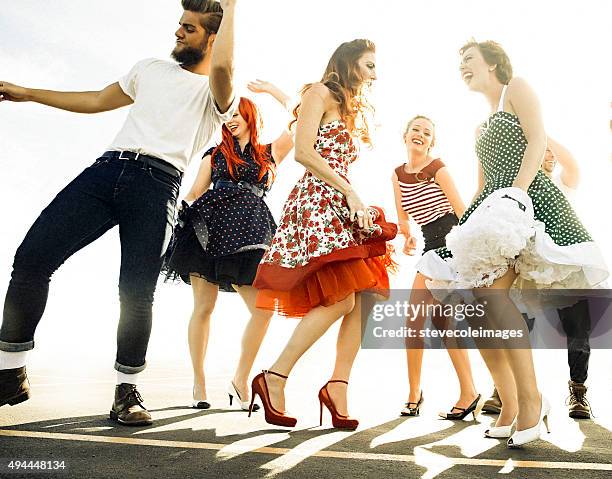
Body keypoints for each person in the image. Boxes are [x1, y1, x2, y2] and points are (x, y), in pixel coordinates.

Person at [0, 0, 239, 426]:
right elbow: (95, 99)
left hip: (158, 185)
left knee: (135, 292)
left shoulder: (216, 95)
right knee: (32, 258)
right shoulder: (149, 68)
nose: (179, 32)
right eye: (179, 25)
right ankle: (10, 371)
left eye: (189, 28)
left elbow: (222, 70)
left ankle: (126, 391)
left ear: (212, 38)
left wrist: (232, 4)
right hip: (106, 170)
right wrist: (29, 93)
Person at [416, 40, 608, 447]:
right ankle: (511, 404)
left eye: (468, 59)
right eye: (460, 61)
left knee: (496, 304)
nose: (462, 66)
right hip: (490, 208)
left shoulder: (516, 87)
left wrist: (514, 198)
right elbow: (483, 181)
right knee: (476, 310)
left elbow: (538, 142)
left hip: (527, 201)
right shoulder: (481, 127)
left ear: (493, 63)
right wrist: (471, 223)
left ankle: (531, 402)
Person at [250, 39, 397, 429]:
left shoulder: (341, 104)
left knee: (365, 295)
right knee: (340, 299)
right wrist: (349, 191)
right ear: (349, 63)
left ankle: (338, 385)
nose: (375, 75)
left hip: (342, 200)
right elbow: (302, 151)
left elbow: (293, 109)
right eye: (369, 65)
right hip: (318, 199)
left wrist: (273, 91)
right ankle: (275, 376)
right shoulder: (320, 92)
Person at [162, 81, 294, 409]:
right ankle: (199, 382)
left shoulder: (270, 153)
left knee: (263, 308)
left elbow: (301, 118)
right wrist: (178, 209)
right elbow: (194, 191)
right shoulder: (215, 154)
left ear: (251, 116)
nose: (231, 119)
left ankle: (240, 377)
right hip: (208, 228)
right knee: (204, 307)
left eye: (237, 113)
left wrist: (272, 91)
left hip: (251, 233)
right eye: (228, 115)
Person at [482, 138, 593, 419]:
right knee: (514, 327)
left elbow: (572, 165)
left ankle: (578, 391)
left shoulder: (561, 185)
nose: (550, 156)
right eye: (543, 151)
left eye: (551, 152)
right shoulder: (520, 185)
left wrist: (542, 134)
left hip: (561, 267)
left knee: (578, 330)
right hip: (527, 269)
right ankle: (508, 391)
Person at [392, 115, 479, 419]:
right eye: (415, 129)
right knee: (443, 325)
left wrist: (466, 256)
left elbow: (461, 211)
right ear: (405, 134)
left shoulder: (437, 168)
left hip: (450, 245)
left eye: (426, 133)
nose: (420, 134)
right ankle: (469, 393)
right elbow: (404, 219)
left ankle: (415, 395)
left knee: (413, 321)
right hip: (430, 246)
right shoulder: (398, 175)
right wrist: (406, 238)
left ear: (431, 142)